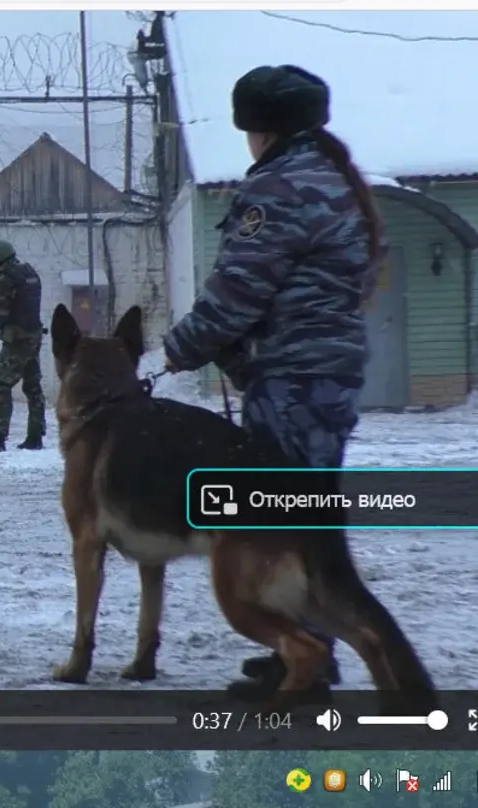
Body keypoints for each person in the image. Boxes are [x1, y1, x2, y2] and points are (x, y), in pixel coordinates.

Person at [161, 65, 385, 700]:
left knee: (289, 521)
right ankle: (303, 647)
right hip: (326, 374)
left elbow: (239, 290)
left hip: (292, 380)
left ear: (257, 128)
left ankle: (310, 661)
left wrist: (178, 350)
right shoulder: (339, 180)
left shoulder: (280, 188)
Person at [0, 239, 46, 452]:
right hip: (33, 336)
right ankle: (35, 435)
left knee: (2, 387)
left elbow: (0, 317)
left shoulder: (5, 278)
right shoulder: (28, 272)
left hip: (16, 340)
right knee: (33, 387)